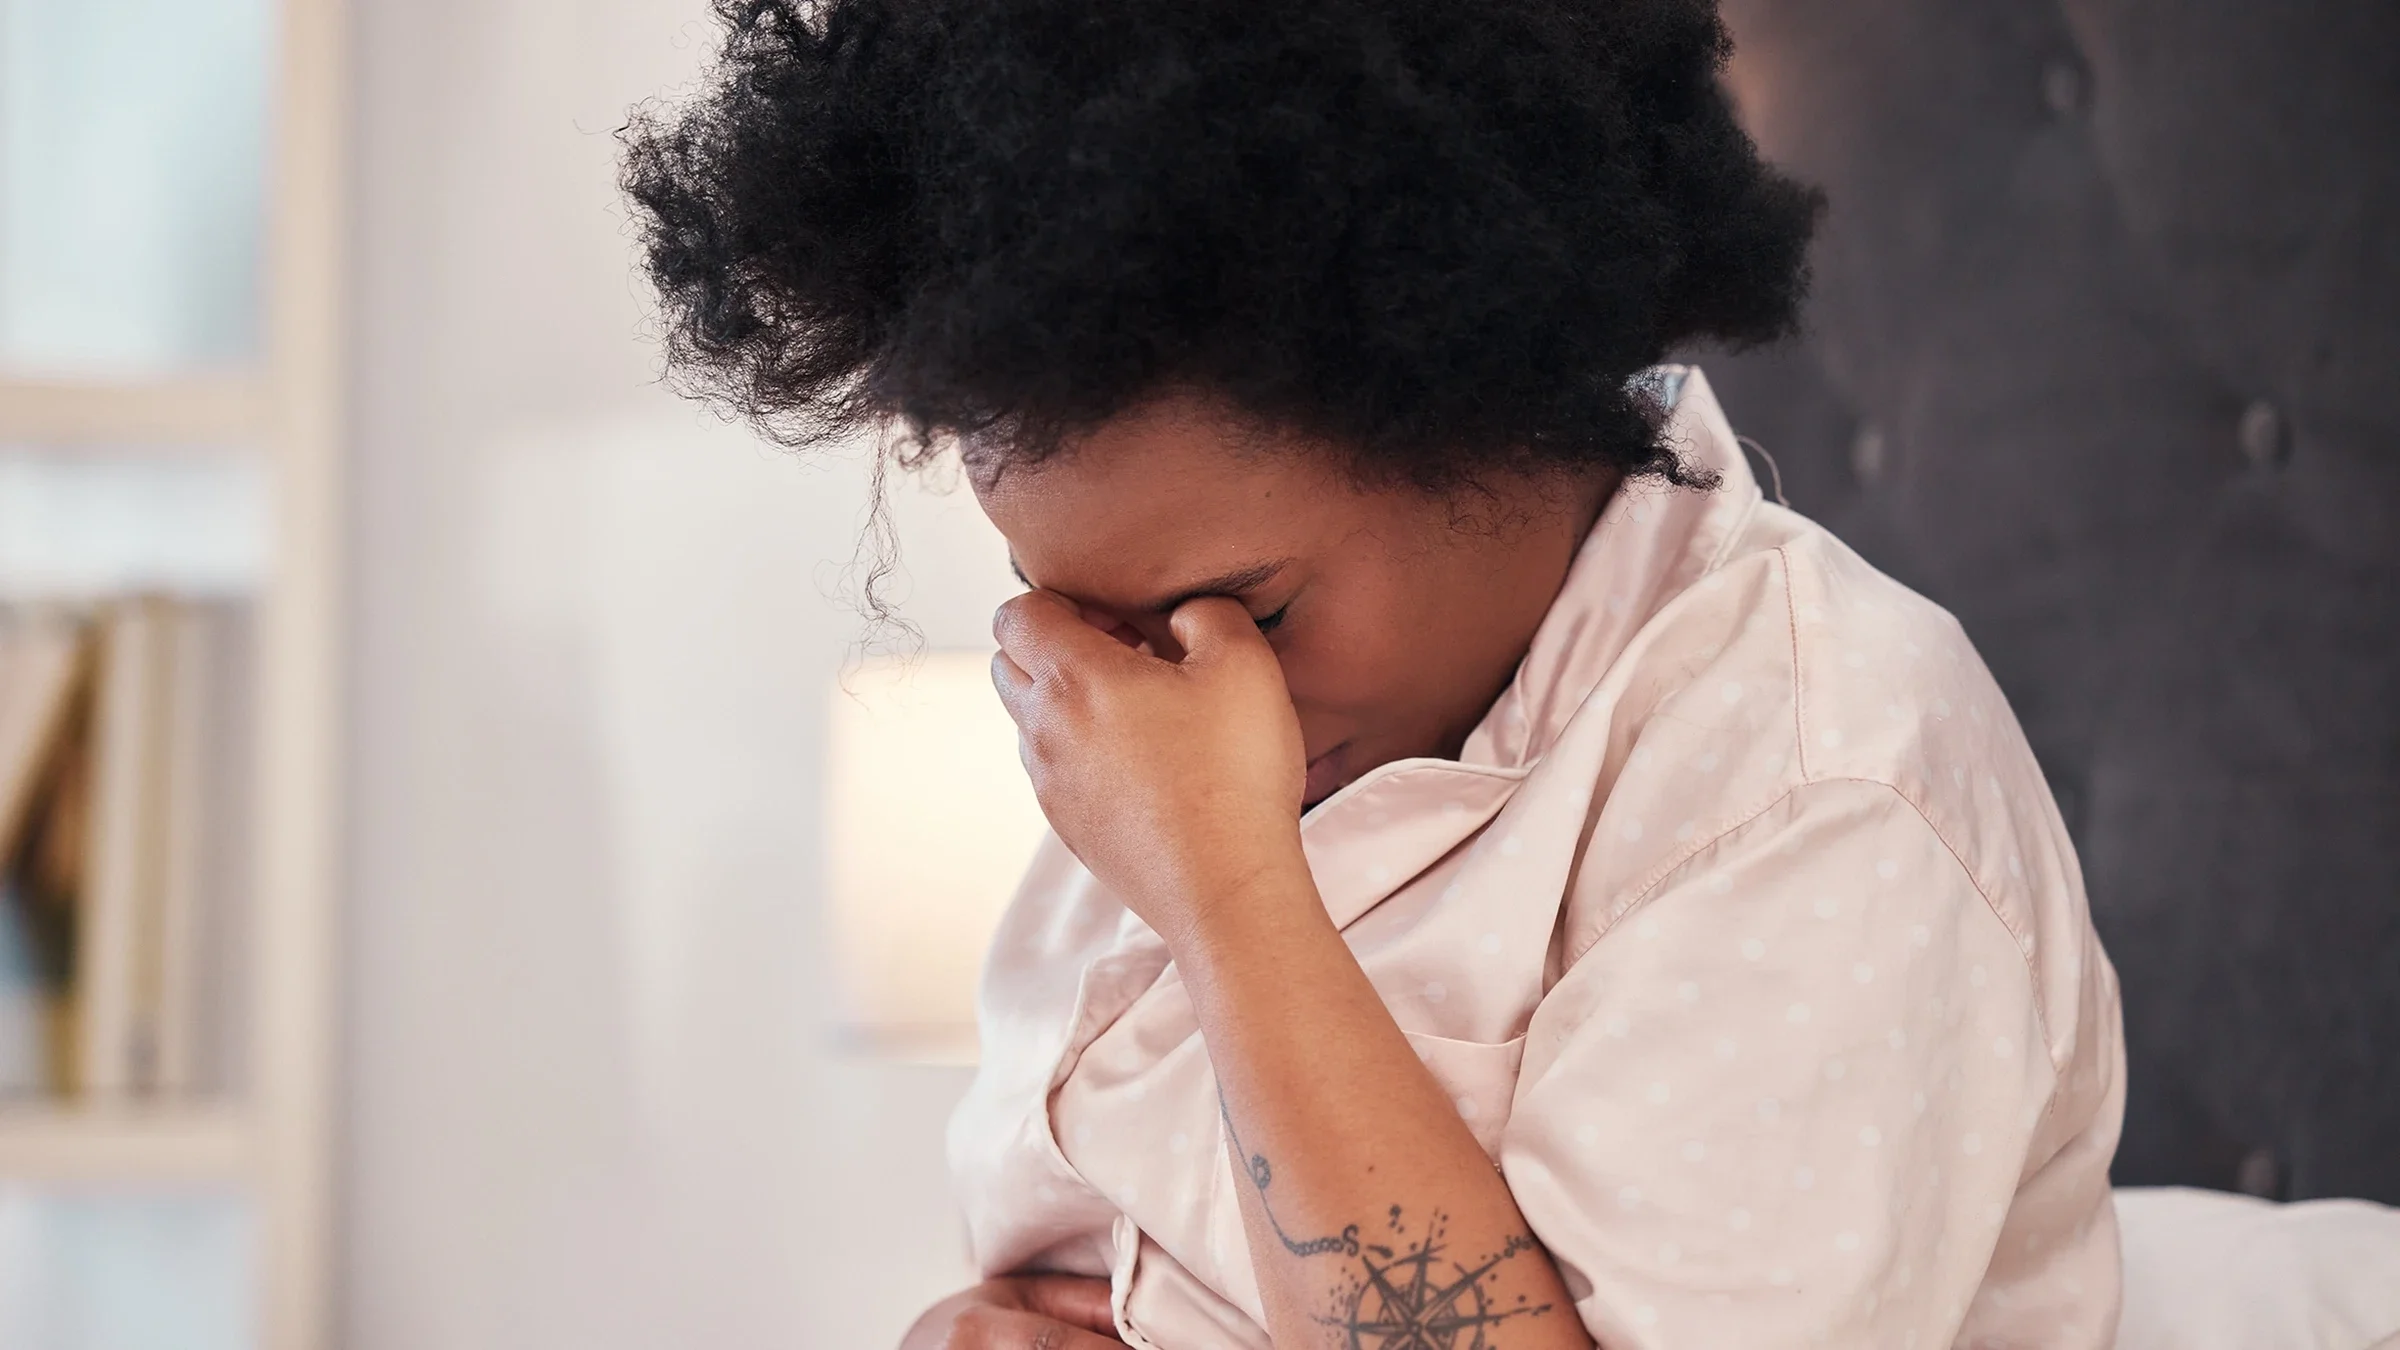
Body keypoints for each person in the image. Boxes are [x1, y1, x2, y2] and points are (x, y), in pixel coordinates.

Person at [620, 2, 2127, 1346]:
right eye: (1081, 619)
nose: (1174, 703)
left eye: (1252, 611)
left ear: (1477, 403)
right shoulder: (1231, 724)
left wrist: (1230, 894)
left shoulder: (1821, 784)